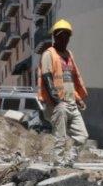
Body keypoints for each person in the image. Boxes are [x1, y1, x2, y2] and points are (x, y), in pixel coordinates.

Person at [38, 19, 89, 160]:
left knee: (83, 136)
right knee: (60, 138)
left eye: (67, 36)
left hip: (71, 103)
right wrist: (57, 102)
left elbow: (69, 81)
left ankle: (68, 161)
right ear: (55, 36)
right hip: (57, 104)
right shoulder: (49, 54)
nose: (64, 39)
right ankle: (59, 164)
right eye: (61, 36)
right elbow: (47, 79)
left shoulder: (68, 55)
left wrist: (78, 99)